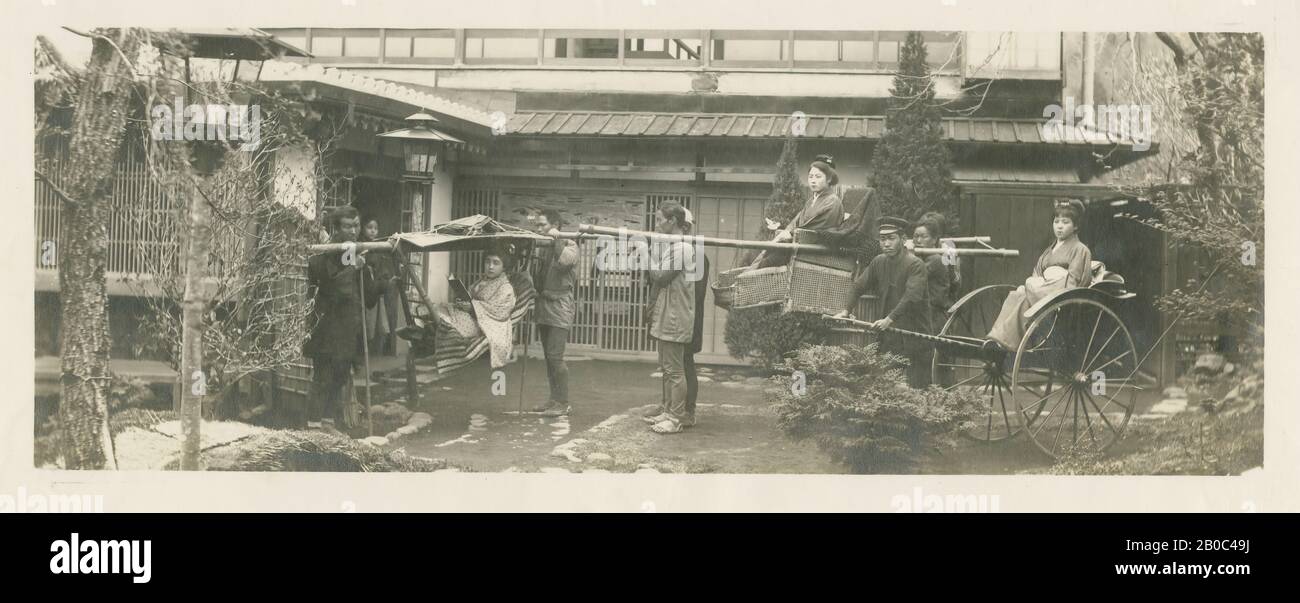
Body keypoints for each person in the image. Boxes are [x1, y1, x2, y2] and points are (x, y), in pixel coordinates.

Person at [833, 216, 931, 388]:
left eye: (891, 238)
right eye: (883, 239)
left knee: (917, 387)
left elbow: (911, 298)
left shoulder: (916, 265)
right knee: (885, 383)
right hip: (889, 334)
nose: (886, 244)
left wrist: (889, 319)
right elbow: (858, 286)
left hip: (914, 335)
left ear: (903, 240)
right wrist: (846, 310)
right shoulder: (879, 262)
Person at [304, 206, 378, 432]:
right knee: (323, 376)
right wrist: (354, 268)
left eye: (356, 225)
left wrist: (366, 272)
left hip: (348, 326)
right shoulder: (325, 253)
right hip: (327, 324)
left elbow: (371, 297)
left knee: (340, 376)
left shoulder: (358, 250)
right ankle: (314, 425)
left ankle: (327, 422)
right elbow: (335, 288)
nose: (353, 231)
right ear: (335, 228)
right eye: (347, 226)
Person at [986, 199, 1092, 351]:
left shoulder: (1080, 250)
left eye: (1066, 222)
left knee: (1028, 290)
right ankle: (997, 337)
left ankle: (1006, 341)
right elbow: (1037, 273)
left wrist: (1040, 286)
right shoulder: (1049, 251)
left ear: (1075, 226)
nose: (1060, 226)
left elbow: (1074, 281)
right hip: (1042, 289)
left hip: (1060, 294)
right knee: (1016, 295)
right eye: (1056, 222)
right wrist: (1036, 284)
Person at [642, 207, 710, 428]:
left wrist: (646, 254)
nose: (657, 224)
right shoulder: (675, 248)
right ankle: (670, 409)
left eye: (660, 220)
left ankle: (679, 415)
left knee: (678, 369)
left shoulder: (685, 249)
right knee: (669, 368)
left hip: (680, 315)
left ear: (675, 222)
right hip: (670, 313)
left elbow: (661, 277)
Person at [752, 154, 845, 268]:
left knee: (765, 263)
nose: (813, 181)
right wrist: (784, 233)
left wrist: (790, 234)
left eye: (818, 177)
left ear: (829, 179)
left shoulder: (832, 202)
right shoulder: (812, 200)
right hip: (800, 246)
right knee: (756, 255)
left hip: (814, 253)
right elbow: (796, 222)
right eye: (810, 177)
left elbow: (816, 230)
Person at [529, 209, 578, 417]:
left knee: (556, 356)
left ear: (555, 225)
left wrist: (557, 240)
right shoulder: (540, 246)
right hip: (543, 303)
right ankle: (553, 399)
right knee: (548, 358)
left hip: (560, 304)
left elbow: (566, 262)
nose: (538, 229)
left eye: (542, 225)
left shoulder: (570, 244)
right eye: (537, 225)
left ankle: (564, 402)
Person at [433, 249, 517, 369]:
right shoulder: (482, 280)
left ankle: (439, 327)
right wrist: (463, 301)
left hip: (487, 325)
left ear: (504, 267)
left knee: (444, 318)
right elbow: (470, 295)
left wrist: (472, 308)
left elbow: (499, 312)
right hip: (473, 316)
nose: (491, 266)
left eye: (496, 263)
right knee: (439, 308)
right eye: (487, 262)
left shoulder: (506, 288)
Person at [361, 217, 401, 355]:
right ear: (363, 228)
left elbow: (382, 268)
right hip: (365, 288)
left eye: (375, 228)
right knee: (366, 323)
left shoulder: (379, 247)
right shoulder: (361, 245)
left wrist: (385, 280)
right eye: (369, 227)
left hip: (377, 289)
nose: (372, 231)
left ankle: (379, 351)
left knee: (378, 323)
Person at [912, 212, 954, 334]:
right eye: (915, 236)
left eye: (923, 236)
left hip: (934, 313)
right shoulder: (922, 255)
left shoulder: (940, 254)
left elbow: (955, 280)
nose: (918, 240)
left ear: (935, 238)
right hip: (923, 311)